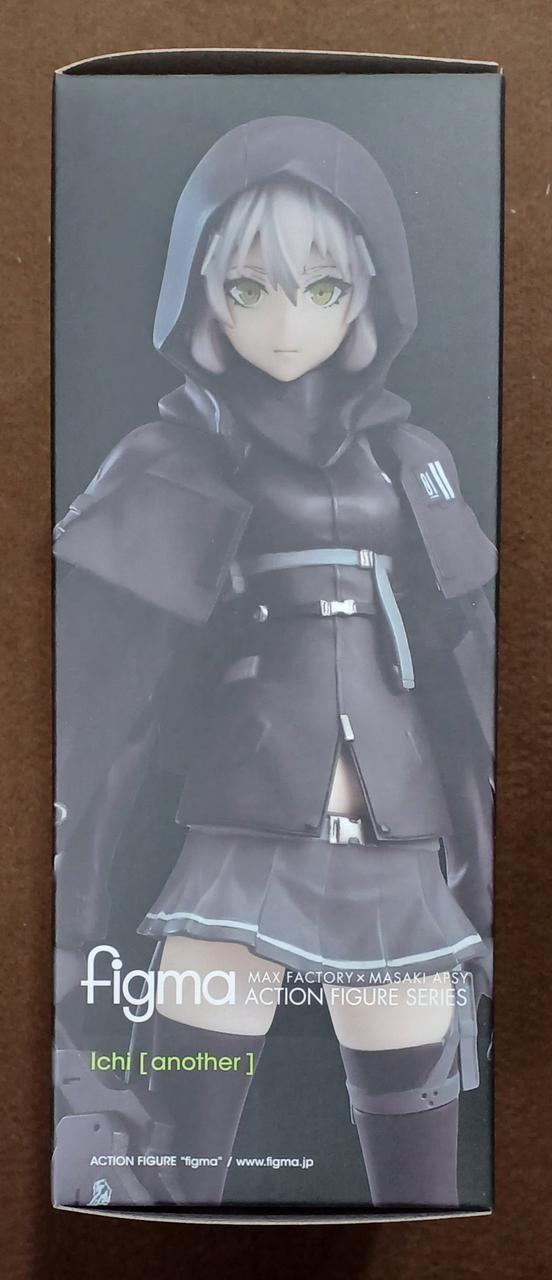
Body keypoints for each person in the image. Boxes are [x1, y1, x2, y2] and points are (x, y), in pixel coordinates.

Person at [54, 115, 496, 1210]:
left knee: (422, 1191)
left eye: (322, 288)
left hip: (399, 851)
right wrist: (66, 920)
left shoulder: (414, 463)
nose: (287, 321)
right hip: (241, 841)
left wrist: (495, 886)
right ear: (203, 295)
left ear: (365, 296)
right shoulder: (172, 458)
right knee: (172, 1171)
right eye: (250, 289)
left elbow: (471, 698)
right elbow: (100, 713)